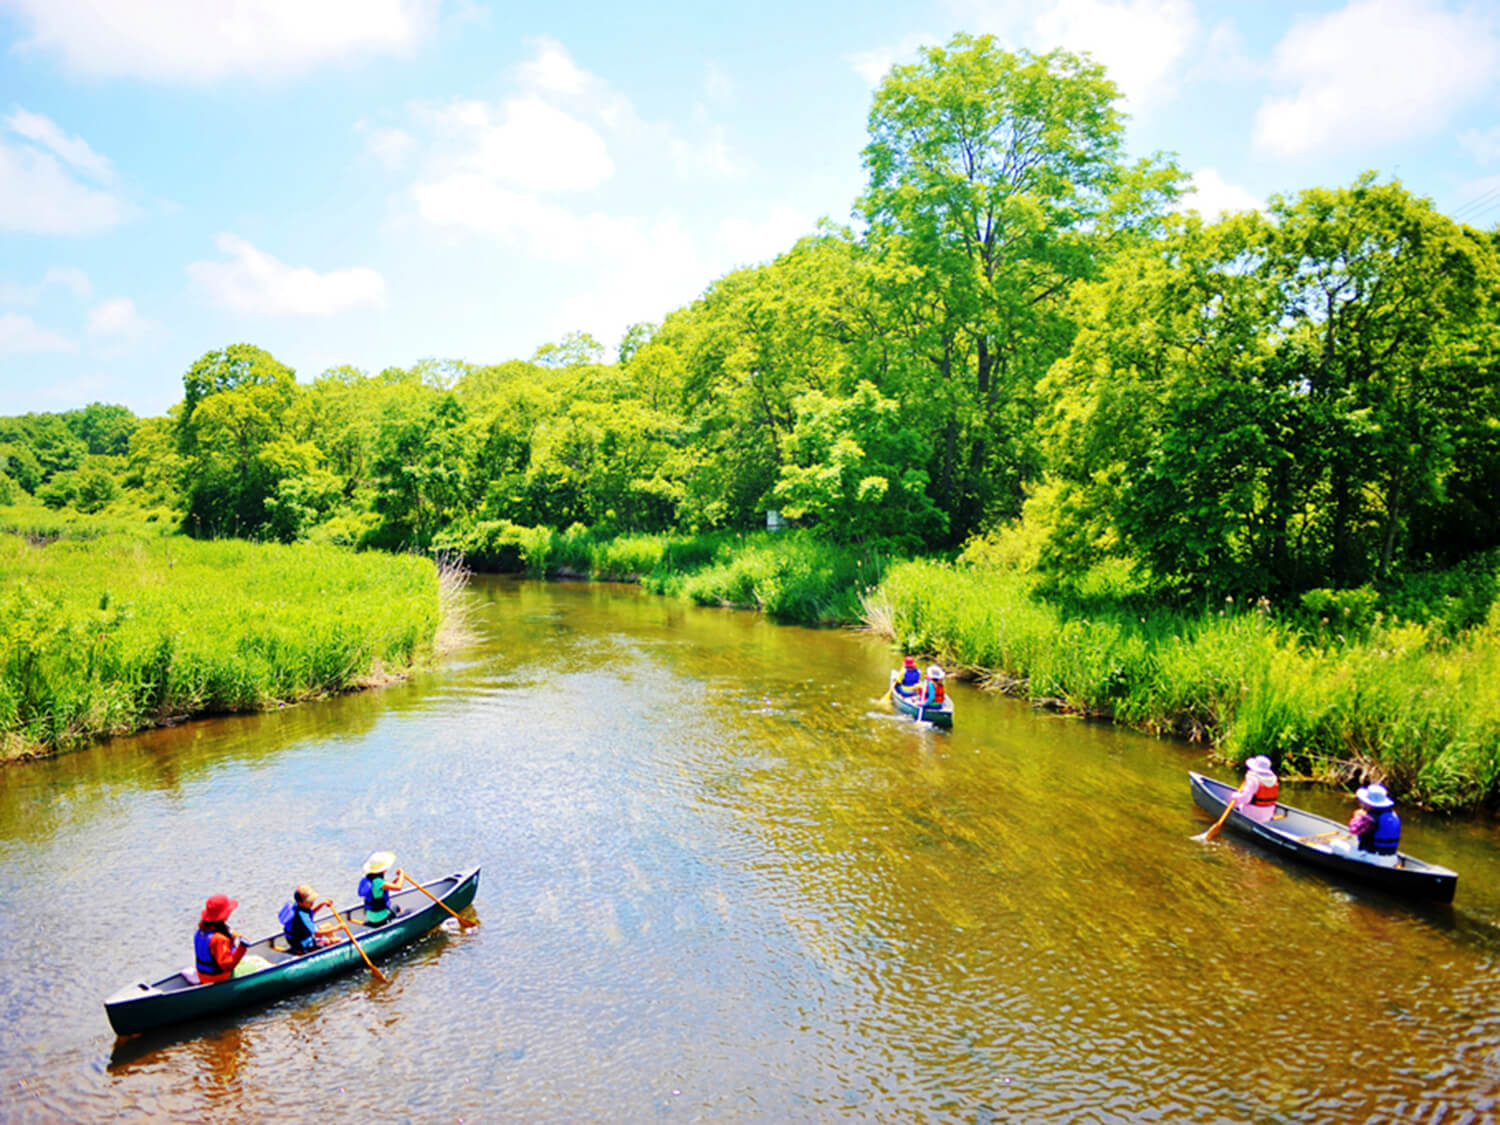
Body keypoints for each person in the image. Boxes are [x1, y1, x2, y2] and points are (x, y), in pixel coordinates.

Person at [1334, 783, 1401, 866]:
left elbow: (1353, 829)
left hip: (1373, 859)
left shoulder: (1370, 818)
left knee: (1335, 844)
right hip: (1392, 859)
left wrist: (1358, 816)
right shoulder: (1394, 815)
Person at [194, 893, 249, 984]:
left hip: (202, 976)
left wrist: (232, 937)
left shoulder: (200, 932)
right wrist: (242, 947)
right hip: (218, 978)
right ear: (224, 915)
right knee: (255, 964)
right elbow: (227, 965)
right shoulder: (219, 939)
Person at [278, 884, 338, 954]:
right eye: (309, 901)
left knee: (328, 925)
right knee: (338, 940)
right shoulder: (302, 915)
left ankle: (331, 944)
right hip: (304, 944)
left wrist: (322, 904)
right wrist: (338, 927)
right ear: (300, 902)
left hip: (297, 940)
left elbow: (310, 913)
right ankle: (332, 945)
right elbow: (316, 934)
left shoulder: (297, 906)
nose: (312, 902)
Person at [358, 852, 408, 926]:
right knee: (402, 910)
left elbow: (388, 886)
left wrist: (399, 879)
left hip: (370, 915)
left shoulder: (369, 879)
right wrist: (402, 874)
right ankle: (397, 923)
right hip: (381, 918)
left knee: (395, 907)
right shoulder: (378, 881)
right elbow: (398, 887)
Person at [1227, 755, 1279, 824]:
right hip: (1267, 816)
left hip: (1252, 815)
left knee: (1236, 802)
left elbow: (1245, 799)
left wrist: (1234, 796)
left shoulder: (1253, 780)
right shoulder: (1274, 780)